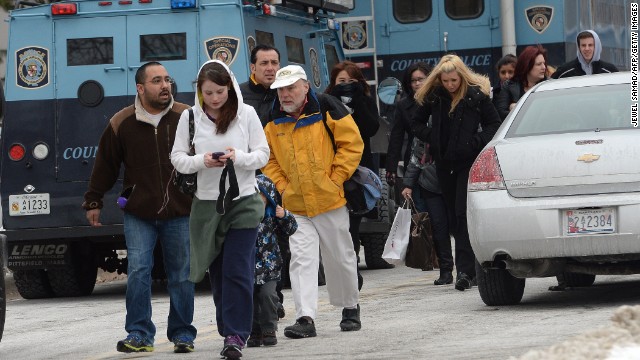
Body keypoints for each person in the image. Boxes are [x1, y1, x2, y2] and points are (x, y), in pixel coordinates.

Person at [83, 61, 196, 353]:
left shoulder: (187, 116)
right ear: (140, 88)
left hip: (181, 211)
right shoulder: (122, 122)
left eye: (167, 80)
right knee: (138, 271)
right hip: (139, 212)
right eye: (157, 81)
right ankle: (139, 334)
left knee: (182, 275)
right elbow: (105, 165)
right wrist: (94, 200)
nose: (165, 86)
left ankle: (183, 334)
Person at [170, 60, 269, 359]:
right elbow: (177, 158)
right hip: (206, 205)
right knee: (217, 273)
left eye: (220, 91)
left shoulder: (247, 114)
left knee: (237, 270)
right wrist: (203, 161)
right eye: (208, 93)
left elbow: (263, 155)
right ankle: (229, 329)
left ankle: (237, 335)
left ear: (231, 87)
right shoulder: (189, 118)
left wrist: (237, 157)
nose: (214, 98)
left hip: (244, 202)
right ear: (199, 91)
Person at [263, 65, 363, 339]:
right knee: (301, 260)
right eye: (280, 89)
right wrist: (282, 186)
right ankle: (305, 317)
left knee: (340, 256)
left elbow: (352, 144)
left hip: (330, 199)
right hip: (296, 204)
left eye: (291, 88)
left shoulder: (327, 106)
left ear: (305, 87)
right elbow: (268, 158)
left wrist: (336, 179)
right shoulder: (272, 117)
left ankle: (350, 307)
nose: (285, 94)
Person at [410, 54, 501, 291]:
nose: (450, 85)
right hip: (443, 163)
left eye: (454, 80)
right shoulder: (435, 97)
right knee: (452, 216)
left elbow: (494, 124)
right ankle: (464, 267)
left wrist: (475, 142)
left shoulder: (475, 96)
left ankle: (465, 271)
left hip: (466, 163)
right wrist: (434, 139)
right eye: (445, 80)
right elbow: (416, 124)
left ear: (461, 77)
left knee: (461, 215)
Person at [325, 60, 381, 279]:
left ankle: (352, 265)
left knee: (353, 222)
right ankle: (339, 264)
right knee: (337, 222)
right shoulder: (326, 102)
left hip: (357, 170)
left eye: (350, 81)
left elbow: (371, 128)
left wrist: (357, 99)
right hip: (332, 168)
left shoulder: (365, 100)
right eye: (341, 81)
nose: (345, 85)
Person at [247, 174, 298, 348]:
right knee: (251, 299)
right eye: (254, 195)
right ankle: (255, 331)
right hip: (249, 268)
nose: (259, 199)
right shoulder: (245, 217)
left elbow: (291, 229)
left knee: (268, 296)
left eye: (262, 195)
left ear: (268, 196)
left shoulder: (273, 215)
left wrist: (284, 215)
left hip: (270, 268)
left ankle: (269, 329)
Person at [400, 135, 454, 285]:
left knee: (460, 225)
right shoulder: (426, 121)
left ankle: (467, 271)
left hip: (455, 180)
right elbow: (417, 155)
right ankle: (446, 270)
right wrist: (408, 184)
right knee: (438, 226)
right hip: (430, 183)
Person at [385, 62, 432, 212]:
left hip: (436, 159)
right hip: (413, 160)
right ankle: (424, 235)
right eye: (413, 80)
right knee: (418, 206)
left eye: (421, 79)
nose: (417, 83)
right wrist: (391, 167)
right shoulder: (403, 105)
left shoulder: (437, 100)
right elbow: (396, 136)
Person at [495, 45, 548, 121]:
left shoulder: (549, 85)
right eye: (539, 64)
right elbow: (501, 114)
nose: (544, 67)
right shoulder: (508, 86)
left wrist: (517, 108)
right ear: (527, 65)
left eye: (544, 63)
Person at [239, 44, 281, 126]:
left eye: (274, 63)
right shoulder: (237, 95)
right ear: (253, 68)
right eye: (264, 63)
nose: (270, 68)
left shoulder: (287, 93)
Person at [551, 30, 619, 79]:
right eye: (583, 45)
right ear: (579, 47)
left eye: (590, 45)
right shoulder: (564, 72)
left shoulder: (610, 71)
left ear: (596, 46)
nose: (587, 49)